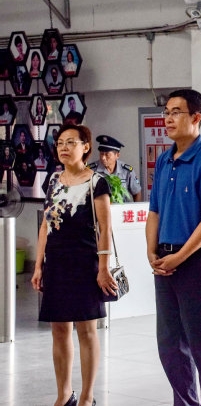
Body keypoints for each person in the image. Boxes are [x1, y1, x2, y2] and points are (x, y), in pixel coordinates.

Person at [145, 89, 201, 406]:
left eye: (176, 112)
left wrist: (179, 256)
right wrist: (151, 252)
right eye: (166, 112)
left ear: (196, 117)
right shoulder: (164, 160)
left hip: (196, 260)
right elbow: (154, 211)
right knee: (169, 344)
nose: (168, 118)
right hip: (164, 260)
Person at [31, 124, 118, 406]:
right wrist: (39, 265)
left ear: (86, 147)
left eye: (71, 142)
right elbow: (45, 225)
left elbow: (105, 228)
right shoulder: (53, 180)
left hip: (85, 264)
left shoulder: (97, 182)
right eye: (60, 143)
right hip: (56, 264)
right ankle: (64, 394)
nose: (64, 147)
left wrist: (103, 267)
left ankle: (87, 396)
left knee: (86, 331)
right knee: (59, 330)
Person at [88, 135, 142, 202]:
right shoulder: (91, 170)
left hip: (122, 208)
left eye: (107, 155)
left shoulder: (127, 171)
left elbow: (137, 192)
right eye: (101, 154)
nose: (103, 158)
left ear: (117, 155)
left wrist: (135, 208)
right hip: (99, 208)